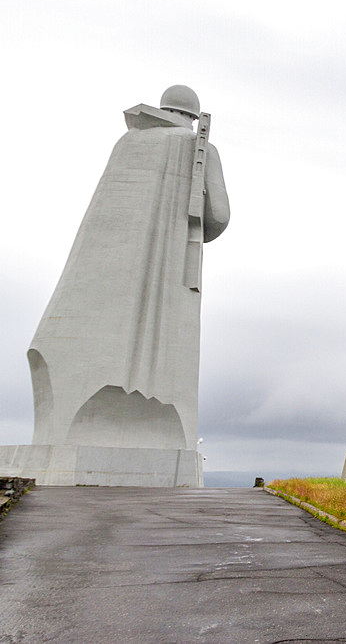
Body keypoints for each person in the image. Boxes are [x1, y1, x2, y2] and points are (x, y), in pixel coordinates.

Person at [28, 85, 230, 454]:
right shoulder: (199, 148)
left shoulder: (129, 143)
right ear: (193, 116)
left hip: (92, 285)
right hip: (170, 278)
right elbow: (218, 216)